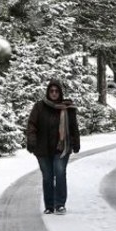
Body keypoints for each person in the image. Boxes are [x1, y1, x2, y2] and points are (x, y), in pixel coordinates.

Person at [26, 79, 80, 215]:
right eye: (51, 91)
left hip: (61, 148)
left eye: (56, 91)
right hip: (42, 148)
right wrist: (31, 140)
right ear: (48, 92)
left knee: (60, 173)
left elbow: (74, 127)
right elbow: (32, 125)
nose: (54, 93)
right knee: (47, 177)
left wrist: (76, 142)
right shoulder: (39, 107)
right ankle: (49, 206)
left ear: (60, 92)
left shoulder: (68, 108)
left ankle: (60, 204)